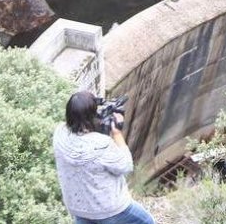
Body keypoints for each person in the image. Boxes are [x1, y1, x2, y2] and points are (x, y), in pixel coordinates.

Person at [53, 90, 155, 224]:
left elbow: (81, 139)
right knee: (147, 221)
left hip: (79, 209)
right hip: (110, 210)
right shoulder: (101, 144)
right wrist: (117, 133)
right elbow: (126, 166)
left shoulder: (59, 134)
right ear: (91, 116)